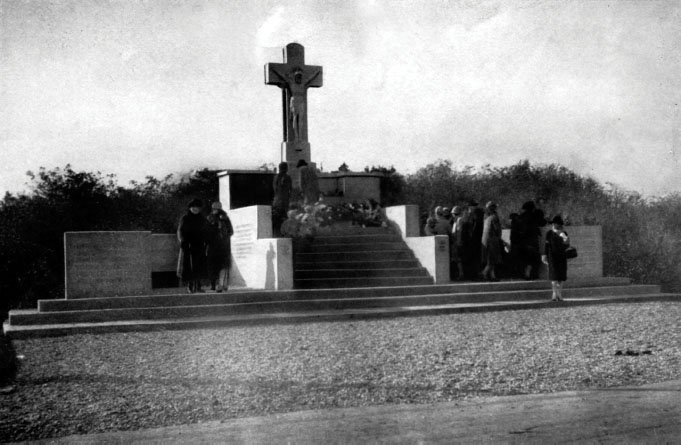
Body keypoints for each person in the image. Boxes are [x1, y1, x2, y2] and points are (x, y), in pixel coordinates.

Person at [177, 198, 208, 293]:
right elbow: (180, 231)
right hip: (188, 245)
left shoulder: (202, 219)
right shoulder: (185, 218)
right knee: (189, 266)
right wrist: (183, 242)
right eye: (193, 207)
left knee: (199, 266)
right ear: (190, 208)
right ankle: (190, 286)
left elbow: (206, 231)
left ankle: (198, 286)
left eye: (197, 207)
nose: (195, 209)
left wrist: (206, 241)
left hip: (199, 245)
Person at [206, 201, 234, 292]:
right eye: (214, 208)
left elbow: (231, 231)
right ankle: (213, 284)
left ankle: (221, 285)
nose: (215, 210)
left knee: (222, 266)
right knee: (212, 266)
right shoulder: (209, 218)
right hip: (212, 245)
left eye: (217, 208)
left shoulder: (225, 218)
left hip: (222, 245)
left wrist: (223, 224)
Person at [542, 215, 570, 301]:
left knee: (561, 276)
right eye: (553, 223)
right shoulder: (549, 233)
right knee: (553, 276)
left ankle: (559, 293)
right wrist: (544, 255)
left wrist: (564, 238)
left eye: (555, 223)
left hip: (561, 256)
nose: (554, 225)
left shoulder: (563, 233)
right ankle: (554, 293)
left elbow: (567, 244)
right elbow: (546, 245)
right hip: (552, 256)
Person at [517, 201, 542, 280]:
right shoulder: (533, 216)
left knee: (524, 258)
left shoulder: (520, 217)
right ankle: (530, 274)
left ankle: (524, 274)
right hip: (532, 240)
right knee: (532, 258)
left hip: (522, 240)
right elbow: (542, 222)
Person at [481, 201, 503, 282]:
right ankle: (484, 272)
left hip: (485, 241)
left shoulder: (486, 217)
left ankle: (492, 276)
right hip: (492, 241)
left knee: (490, 259)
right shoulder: (494, 217)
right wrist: (499, 238)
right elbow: (497, 229)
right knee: (492, 259)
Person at [272, 162, 293, 236]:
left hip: (276, 201)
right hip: (284, 201)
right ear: (286, 168)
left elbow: (274, 189)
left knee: (277, 219)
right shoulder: (287, 177)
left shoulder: (275, 177)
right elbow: (290, 189)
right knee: (284, 219)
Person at [450, 206, 465, 280]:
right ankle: (458, 274)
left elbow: (459, 232)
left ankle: (461, 274)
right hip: (455, 242)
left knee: (459, 259)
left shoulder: (459, 220)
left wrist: (458, 243)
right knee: (456, 259)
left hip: (457, 243)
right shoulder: (456, 221)